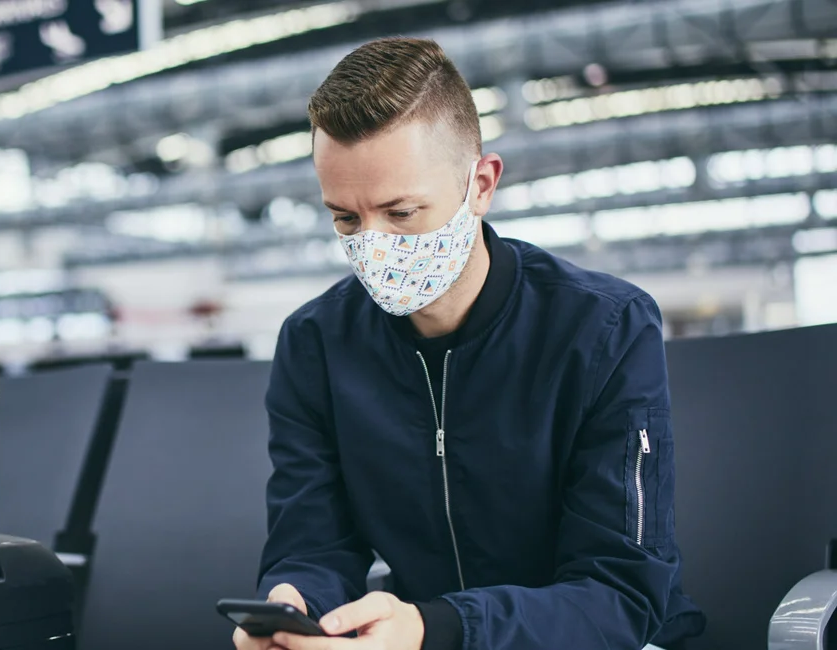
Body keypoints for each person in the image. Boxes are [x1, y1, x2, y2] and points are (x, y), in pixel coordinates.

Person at [236, 38, 706, 650]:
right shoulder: (315, 344)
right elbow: (314, 542)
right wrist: (295, 604)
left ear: (480, 185)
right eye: (346, 219)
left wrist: (439, 628)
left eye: (401, 212)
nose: (372, 245)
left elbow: (623, 594)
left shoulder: (604, 329)